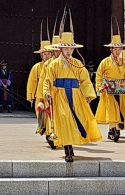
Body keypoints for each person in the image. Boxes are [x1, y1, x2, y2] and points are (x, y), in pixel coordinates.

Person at [42, 29, 101, 162]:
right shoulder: (53, 64)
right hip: (60, 95)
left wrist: (88, 94)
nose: (69, 52)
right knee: (64, 119)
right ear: (61, 49)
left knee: (77, 119)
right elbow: (47, 80)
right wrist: (46, 92)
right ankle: (67, 149)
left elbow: (85, 80)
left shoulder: (78, 63)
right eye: (66, 49)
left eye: (71, 49)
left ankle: (71, 145)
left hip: (75, 95)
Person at [95, 34, 125, 141]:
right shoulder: (105, 62)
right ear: (111, 49)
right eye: (116, 49)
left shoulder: (123, 62)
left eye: (119, 49)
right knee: (112, 109)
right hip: (110, 88)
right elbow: (99, 75)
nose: (118, 52)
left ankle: (116, 128)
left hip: (122, 88)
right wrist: (99, 86)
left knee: (121, 108)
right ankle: (113, 129)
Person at [27, 38, 57, 148]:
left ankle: (51, 135)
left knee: (52, 117)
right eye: (45, 54)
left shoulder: (54, 65)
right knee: (43, 117)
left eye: (49, 53)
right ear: (41, 55)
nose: (47, 56)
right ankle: (47, 132)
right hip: (41, 98)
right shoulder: (37, 67)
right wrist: (30, 95)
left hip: (53, 96)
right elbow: (32, 82)